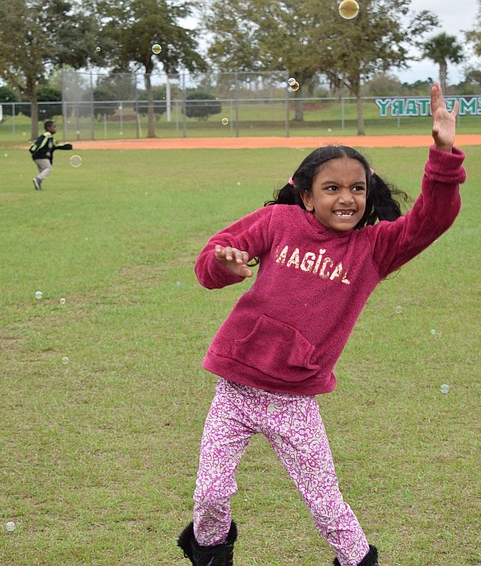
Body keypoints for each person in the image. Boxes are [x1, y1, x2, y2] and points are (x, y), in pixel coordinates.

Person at [176, 83, 466, 566]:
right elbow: (213, 259)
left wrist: (443, 153)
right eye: (332, 188)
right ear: (307, 197)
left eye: (357, 188)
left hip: (296, 399)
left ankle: (356, 561)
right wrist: (225, 263)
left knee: (326, 506)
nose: (347, 198)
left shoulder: (375, 249)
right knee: (210, 494)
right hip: (236, 391)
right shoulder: (279, 222)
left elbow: (430, 220)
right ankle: (210, 557)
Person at [28, 120, 72, 190]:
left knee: (42, 171)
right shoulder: (46, 136)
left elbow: (56, 145)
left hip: (38, 157)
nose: (55, 129)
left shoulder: (50, 138)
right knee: (48, 169)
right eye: (54, 127)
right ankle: (38, 180)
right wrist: (33, 149)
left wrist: (68, 146)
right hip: (41, 156)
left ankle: (38, 185)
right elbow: (39, 144)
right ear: (48, 128)